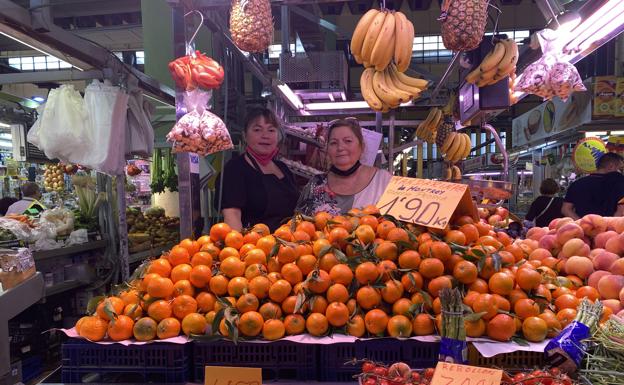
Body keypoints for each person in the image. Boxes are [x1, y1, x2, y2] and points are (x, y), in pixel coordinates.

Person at [216, 107, 299, 232]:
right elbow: (232, 216)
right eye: (257, 130)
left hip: (290, 245)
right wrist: (238, 248)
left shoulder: (284, 169)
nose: (265, 136)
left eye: (271, 130)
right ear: (245, 136)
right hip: (255, 247)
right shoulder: (235, 170)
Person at [296, 118, 392, 216]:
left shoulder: (383, 181)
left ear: (362, 147)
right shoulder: (315, 185)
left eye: (348, 141)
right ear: (327, 149)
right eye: (333, 143)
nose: (340, 148)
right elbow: (297, 225)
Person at [562, 152, 624, 219]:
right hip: (610, 227)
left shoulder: (577, 184)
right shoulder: (619, 183)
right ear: (611, 166)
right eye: (620, 169)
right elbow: (621, 211)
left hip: (584, 227)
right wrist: (608, 227)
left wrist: (581, 224)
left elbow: (565, 209)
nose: (620, 172)